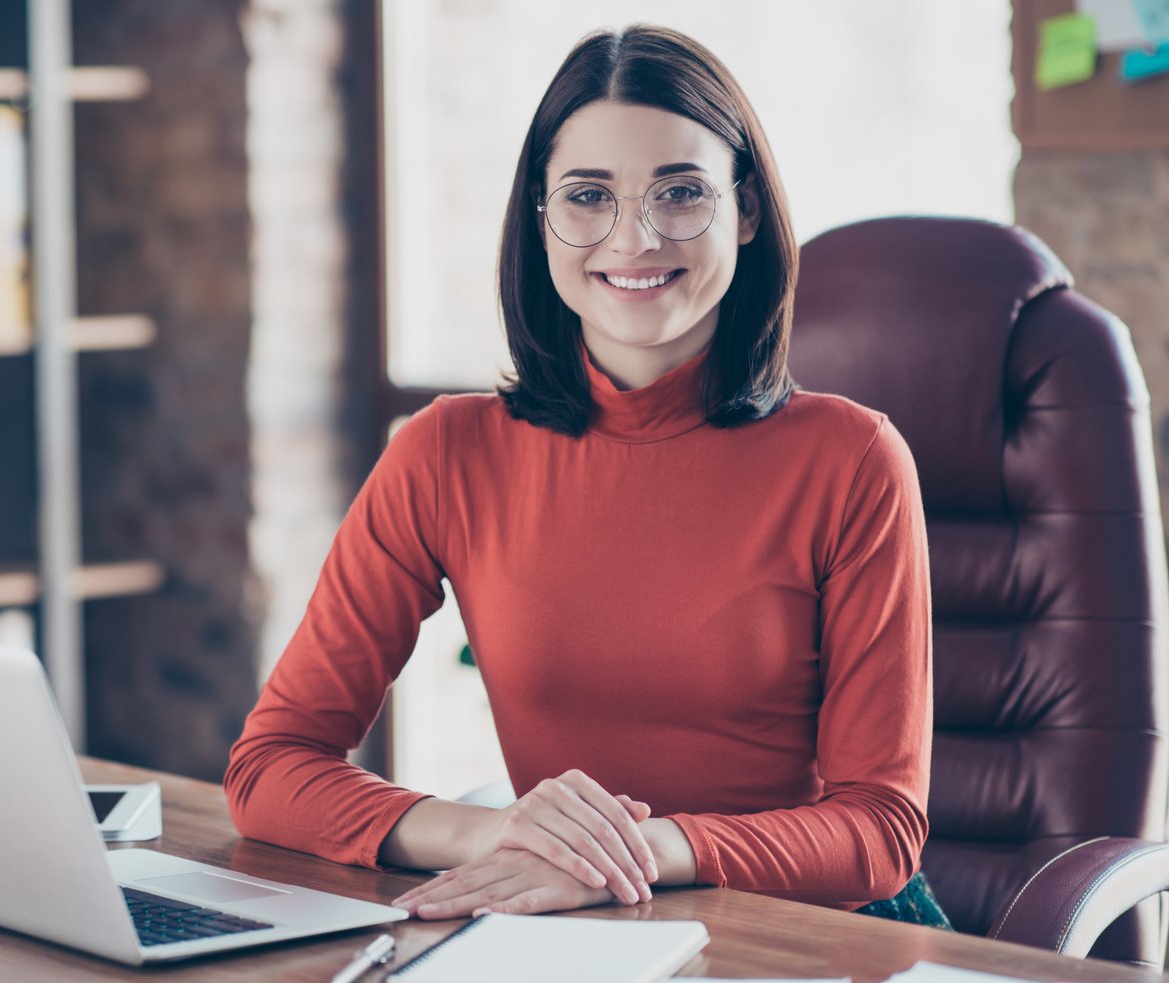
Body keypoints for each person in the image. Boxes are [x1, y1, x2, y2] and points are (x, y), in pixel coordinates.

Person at [225, 24, 932, 921]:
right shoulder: (448, 453)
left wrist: (630, 854)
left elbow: (880, 830)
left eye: (681, 194)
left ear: (747, 211)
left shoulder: (853, 460)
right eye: (588, 196)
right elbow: (269, 766)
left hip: (810, 932)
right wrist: (491, 834)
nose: (632, 238)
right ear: (540, 216)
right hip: (567, 925)